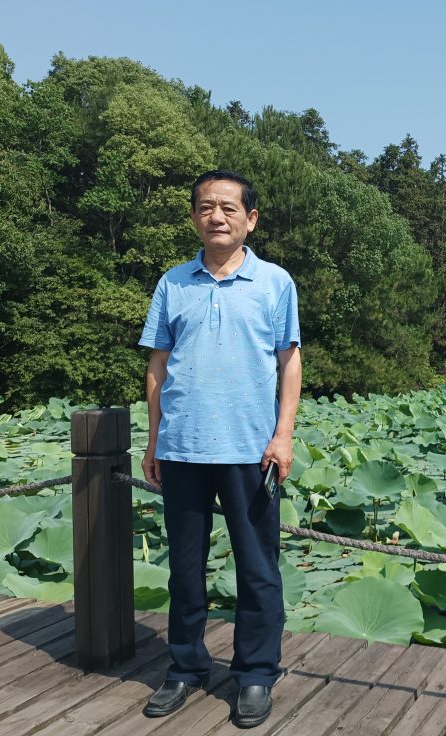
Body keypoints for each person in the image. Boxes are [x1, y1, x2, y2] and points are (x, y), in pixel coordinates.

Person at [138, 169, 301, 729]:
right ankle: (186, 666)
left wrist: (283, 435)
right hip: (182, 445)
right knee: (184, 568)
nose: (217, 216)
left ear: (250, 218)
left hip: (250, 449)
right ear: (194, 217)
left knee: (258, 569)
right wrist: (154, 437)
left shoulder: (275, 282)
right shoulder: (172, 283)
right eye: (206, 207)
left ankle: (256, 672)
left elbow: (289, 361)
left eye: (229, 208)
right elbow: (157, 366)